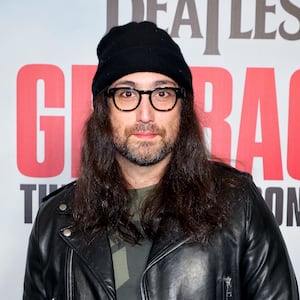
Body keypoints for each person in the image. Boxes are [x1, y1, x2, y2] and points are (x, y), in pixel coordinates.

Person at [23, 21, 299, 300]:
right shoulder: (54, 223)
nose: (146, 114)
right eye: (127, 93)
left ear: (183, 109)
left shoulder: (238, 205)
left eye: (162, 93)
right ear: (104, 109)